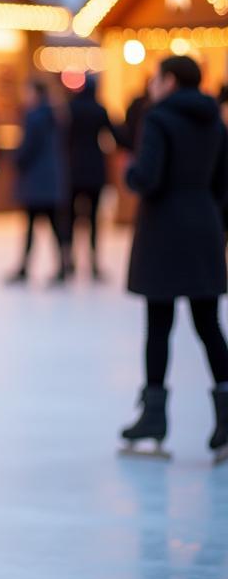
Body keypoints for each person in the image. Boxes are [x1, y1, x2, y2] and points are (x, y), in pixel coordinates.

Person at [120, 55, 228, 463]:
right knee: (208, 323)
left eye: (156, 77)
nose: (152, 84)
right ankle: (226, 415)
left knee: (159, 324)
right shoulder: (215, 121)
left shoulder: (159, 119)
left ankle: (153, 418)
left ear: (169, 81)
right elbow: (224, 183)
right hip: (203, 226)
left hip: (164, 230)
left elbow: (148, 176)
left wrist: (131, 174)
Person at [7, 78, 71, 284]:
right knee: (53, 224)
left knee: (32, 225)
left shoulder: (34, 116)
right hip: (51, 179)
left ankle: (25, 267)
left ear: (35, 93)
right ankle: (63, 264)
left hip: (36, 179)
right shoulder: (54, 114)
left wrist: (16, 160)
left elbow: (28, 148)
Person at [66, 73, 115, 280]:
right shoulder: (99, 110)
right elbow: (114, 134)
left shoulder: (71, 109)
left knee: (70, 217)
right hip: (95, 168)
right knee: (94, 218)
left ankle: (68, 261)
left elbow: (63, 136)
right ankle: (94, 262)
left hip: (73, 168)